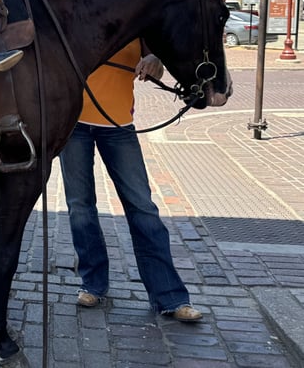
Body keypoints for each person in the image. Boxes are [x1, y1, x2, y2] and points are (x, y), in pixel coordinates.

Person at [58, 40, 203, 322]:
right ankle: (93, 283)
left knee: (142, 208)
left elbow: (156, 65)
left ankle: (170, 297)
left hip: (118, 126)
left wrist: (154, 58)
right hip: (73, 126)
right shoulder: (75, 9)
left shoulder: (135, 19)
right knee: (80, 207)